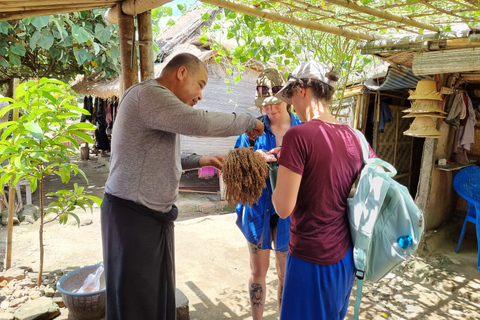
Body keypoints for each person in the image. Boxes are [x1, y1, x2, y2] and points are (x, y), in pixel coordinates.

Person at [100, 52, 264, 320]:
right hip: (132, 217)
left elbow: (159, 156)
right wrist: (247, 120)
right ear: (182, 73)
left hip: (152, 218)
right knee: (136, 305)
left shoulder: (160, 109)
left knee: (156, 299)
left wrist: (201, 160)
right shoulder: (148, 95)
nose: (200, 96)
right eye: (200, 85)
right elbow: (197, 122)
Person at [271, 61, 375, 320]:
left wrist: (276, 171)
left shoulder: (298, 136)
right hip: (344, 258)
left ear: (303, 90)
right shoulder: (354, 136)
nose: (292, 106)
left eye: (291, 96)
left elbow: (283, 209)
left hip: (311, 259)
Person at [234, 68, 302, 319]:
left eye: (275, 104)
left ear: (286, 99)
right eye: (265, 105)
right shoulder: (251, 131)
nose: (270, 110)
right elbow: (236, 165)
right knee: (257, 272)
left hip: (290, 211)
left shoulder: (302, 130)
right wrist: (254, 158)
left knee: (286, 274)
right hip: (257, 208)